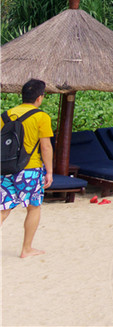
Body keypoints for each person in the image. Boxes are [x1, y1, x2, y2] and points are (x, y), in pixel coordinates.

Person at [1, 79, 53, 258]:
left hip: (6, 167)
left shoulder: (6, 115)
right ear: (40, 98)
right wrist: (50, 172)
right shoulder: (41, 117)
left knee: (3, 209)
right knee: (34, 207)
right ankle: (26, 249)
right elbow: (46, 147)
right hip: (30, 170)